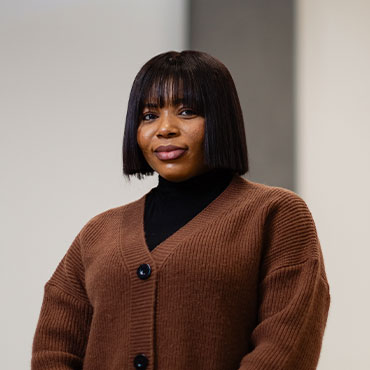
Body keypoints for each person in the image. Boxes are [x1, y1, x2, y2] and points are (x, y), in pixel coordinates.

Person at [31, 50, 330, 370]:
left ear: (220, 120)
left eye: (186, 112)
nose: (165, 128)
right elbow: (54, 348)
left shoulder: (276, 214)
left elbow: (287, 345)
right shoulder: (98, 232)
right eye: (149, 115)